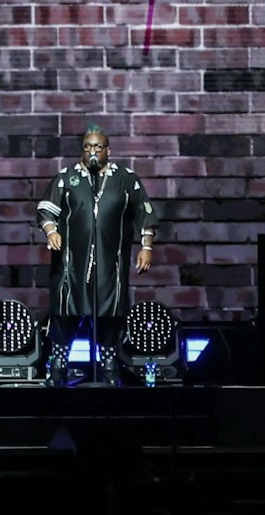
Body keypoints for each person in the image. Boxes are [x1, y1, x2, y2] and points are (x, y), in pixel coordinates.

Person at [38, 123, 157, 382]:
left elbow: (144, 214)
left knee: (108, 314)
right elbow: (46, 211)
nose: (92, 151)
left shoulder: (126, 179)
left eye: (98, 147)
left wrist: (146, 247)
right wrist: (51, 231)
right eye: (88, 147)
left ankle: (108, 366)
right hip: (71, 263)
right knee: (65, 312)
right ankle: (58, 365)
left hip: (109, 263)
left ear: (108, 150)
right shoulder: (66, 177)